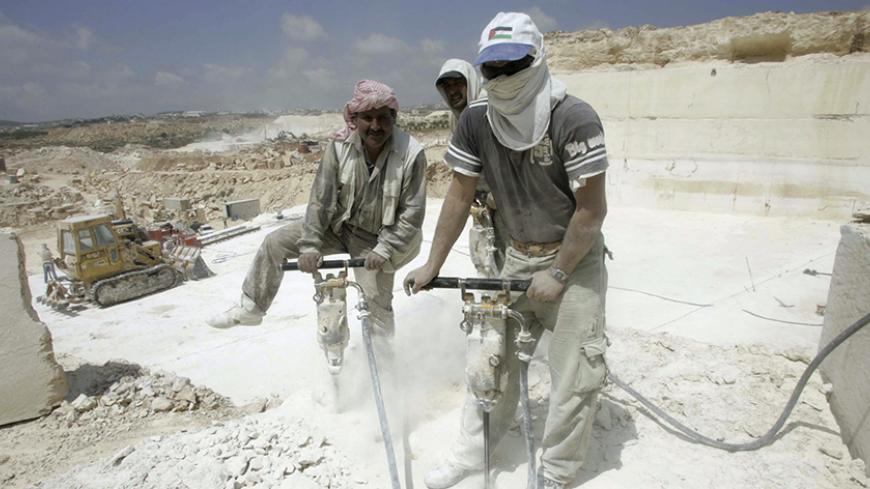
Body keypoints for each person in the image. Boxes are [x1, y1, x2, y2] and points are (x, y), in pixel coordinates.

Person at [405, 12, 609, 489]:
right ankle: (475, 454)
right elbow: (458, 194)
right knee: (489, 363)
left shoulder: (573, 119)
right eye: (491, 69)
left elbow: (591, 212)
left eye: (512, 66)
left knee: (575, 374)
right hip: (513, 258)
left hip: (572, 262)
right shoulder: (477, 121)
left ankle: (557, 472)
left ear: (536, 60)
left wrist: (558, 274)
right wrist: (432, 263)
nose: (501, 78)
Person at [208, 80, 427, 343]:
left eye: (383, 118)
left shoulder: (410, 154)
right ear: (354, 119)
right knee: (275, 243)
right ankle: (252, 307)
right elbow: (321, 200)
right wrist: (310, 244)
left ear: (394, 117)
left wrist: (385, 248)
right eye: (367, 118)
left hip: (378, 239)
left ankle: (383, 360)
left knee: (376, 304)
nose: (376, 126)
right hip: (339, 226)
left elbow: (412, 212)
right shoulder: (339, 147)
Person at [435, 59, 506, 277]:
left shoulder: (487, 111)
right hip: (482, 205)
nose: (452, 91)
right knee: (486, 264)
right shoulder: (457, 118)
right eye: (446, 86)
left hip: (506, 205)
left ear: (470, 82)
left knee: (508, 271)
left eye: (458, 84)